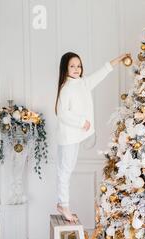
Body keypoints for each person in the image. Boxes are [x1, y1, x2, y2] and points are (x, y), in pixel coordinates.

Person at [54, 51, 129, 222]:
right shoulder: (66, 88)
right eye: (72, 66)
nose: (76, 69)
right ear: (65, 68)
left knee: (67, 170)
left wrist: (118, 59)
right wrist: (82, 122)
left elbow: (101, 72)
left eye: (79, 66)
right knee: (65, 171)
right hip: (68, 137)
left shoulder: (82, 83)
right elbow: (61, 113)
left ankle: (62, 203)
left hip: (74, 136)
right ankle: (63, 205)